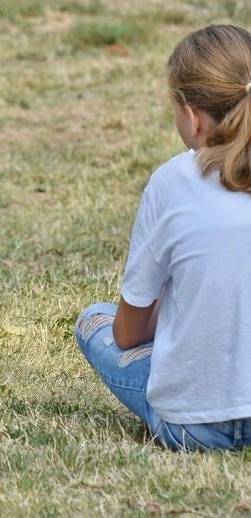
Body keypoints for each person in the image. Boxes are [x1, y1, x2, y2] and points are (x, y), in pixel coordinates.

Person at [75, 24, 251, 450]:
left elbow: (128, 335)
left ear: (192, 117)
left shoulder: (174, 181)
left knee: (93, 321)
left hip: (198, 429)